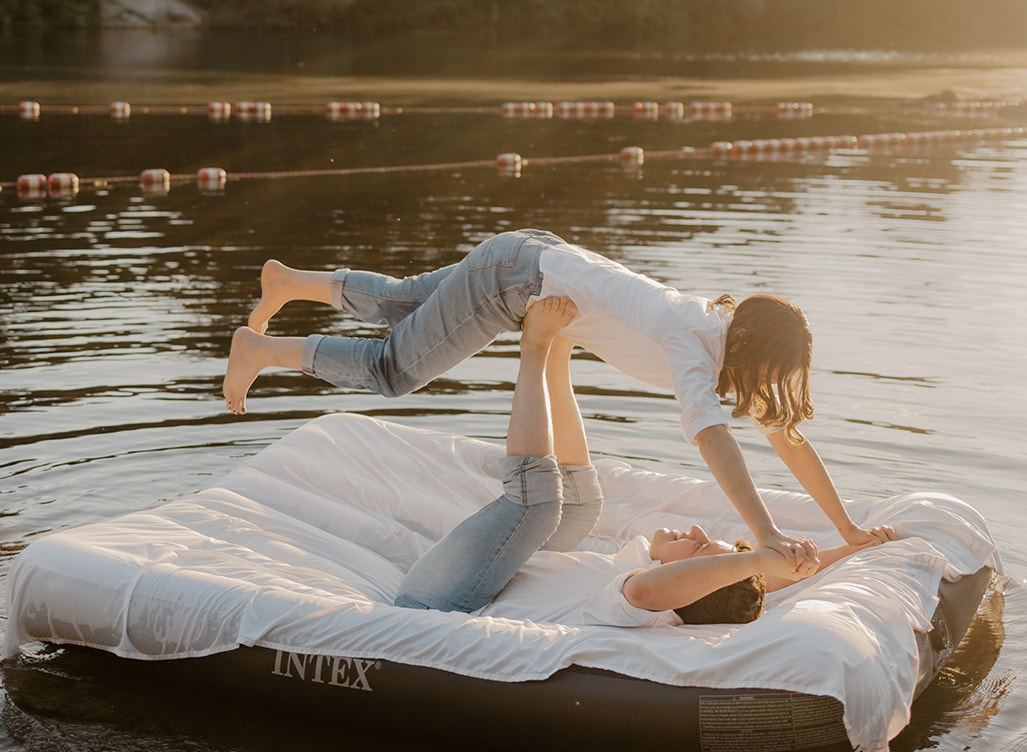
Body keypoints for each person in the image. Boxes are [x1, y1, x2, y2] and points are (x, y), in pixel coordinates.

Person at [222, 228, 877, 561]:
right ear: (754, 352)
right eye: (770, 373)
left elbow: (784, 436)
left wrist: (845, 527)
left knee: (406, 300)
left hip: (529, 252)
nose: (768, 388)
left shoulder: (714, 333)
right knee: (394, 368)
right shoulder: (688, 341)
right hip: (517, 277)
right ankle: (261, 350)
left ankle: (287, 282)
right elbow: (712, 440)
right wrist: (763, 534)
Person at [393, 295, 894, 625]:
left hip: (441, 599)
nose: (696, 533)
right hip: (500, 573)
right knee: (584, 505)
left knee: (539, 504)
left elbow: (669, 589)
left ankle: (537, 347)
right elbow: (775, 577)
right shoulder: (647, 567)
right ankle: (561, 357)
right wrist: (853, 545)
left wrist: (760, 554)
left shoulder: (631, 602)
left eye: (701, 553)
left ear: (688, 589)